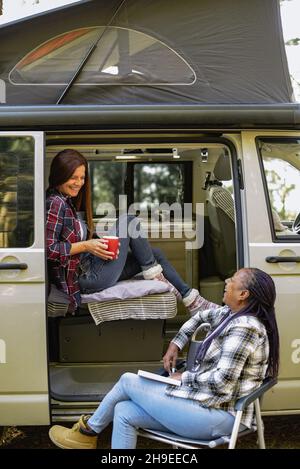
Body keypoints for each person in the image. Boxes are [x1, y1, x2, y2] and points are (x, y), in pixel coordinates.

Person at [48, 267, 280, 449]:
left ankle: (87, 433)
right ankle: (86, 437)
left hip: (218, 416)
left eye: (232, 280)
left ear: (243, 294)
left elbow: (221, 382)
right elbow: (199, 318)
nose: (227, 282)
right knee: (124, 411)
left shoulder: (245, 328)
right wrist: (176, 343)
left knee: (128, 381)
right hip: (201, 404)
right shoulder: (229, 313)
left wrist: (184, 378)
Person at [46, 148, 204, 313]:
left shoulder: (66, 201)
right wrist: (87, 246)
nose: (79, 183)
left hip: (91, 265)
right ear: (60, 175)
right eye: (73, 177)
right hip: (85, 278)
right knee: (128, 220)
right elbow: (49, 250)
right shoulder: (55, 203)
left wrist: (99, 243)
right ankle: (154, 275)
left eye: (82, 177)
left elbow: (76, 237)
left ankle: (193, 301)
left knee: (155, 254)